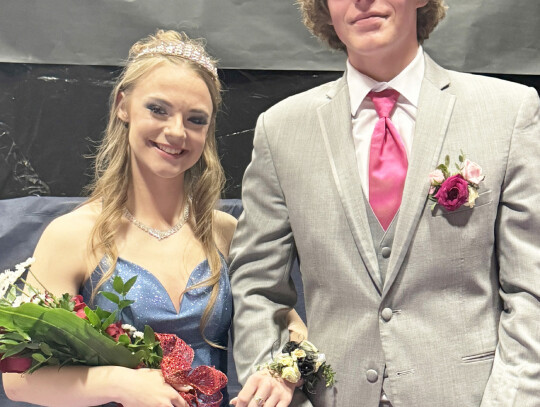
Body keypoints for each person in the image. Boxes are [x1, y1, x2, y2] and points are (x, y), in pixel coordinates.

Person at [229, 0, 540, 406]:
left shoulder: (506, 112)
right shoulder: (282, 129)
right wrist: (272, 381)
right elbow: (257, 286)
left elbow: (530, 288)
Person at [2, 29, 306, 407]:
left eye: (196, 119)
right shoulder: (73, 236)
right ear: (123, 105)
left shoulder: (225, 233)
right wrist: (118, 383)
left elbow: (290, 326)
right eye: (158, 109)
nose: (176, 132)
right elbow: (18, 378)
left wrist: (283, 372)